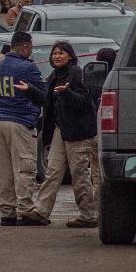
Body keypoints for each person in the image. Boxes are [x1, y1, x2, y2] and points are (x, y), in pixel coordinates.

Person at [24, 41, 98, 228]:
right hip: (60, 130)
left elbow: (84, 102)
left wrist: (67, 93)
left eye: (61, 53)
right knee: (52, 172)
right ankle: (41, 211)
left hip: (78, 132)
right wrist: (31, 91)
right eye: (55, 53)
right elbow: (47, 100)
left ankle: (88, 215)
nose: (57, 56)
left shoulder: (76, 73)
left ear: (70, 56)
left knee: (79, 175)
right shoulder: (54, 76)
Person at [0, 31, 46, 225]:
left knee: (5, 171)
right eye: (30, 48)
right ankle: (26, 210)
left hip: (1, 121)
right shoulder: (27, 68)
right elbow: (43, 92)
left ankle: (7, 212)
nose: (30, 52)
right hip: (21, 122)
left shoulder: (0, 66)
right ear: (24, 47)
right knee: (24, 168)